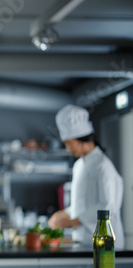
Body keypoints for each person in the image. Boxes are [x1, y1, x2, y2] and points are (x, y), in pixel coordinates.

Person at [48, 104, 124, 249]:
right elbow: (83, 205)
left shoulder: (103, 165)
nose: (68, 149)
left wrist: (70, 222)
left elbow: (107, 206)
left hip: (105, 245)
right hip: (84, 241)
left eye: (69, 143)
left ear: (82, 139)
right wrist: (64, 214)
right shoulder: (79, 165)